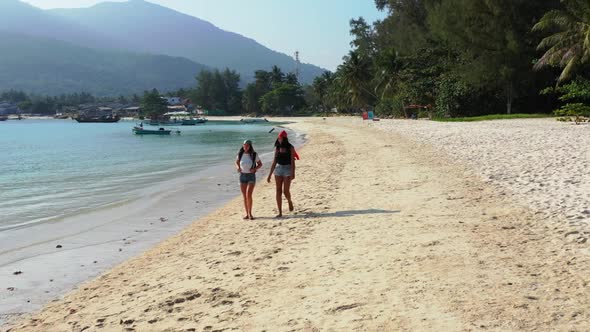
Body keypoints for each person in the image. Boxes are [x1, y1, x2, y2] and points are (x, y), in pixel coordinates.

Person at [267, 130, 299, 218]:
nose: (279, 139)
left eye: (281, 138)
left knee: (286, 191)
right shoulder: (277, 147)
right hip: (278, 169)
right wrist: (269, 174)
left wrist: (293, 173)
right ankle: (280, 212)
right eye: (278, 138)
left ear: (284, 138)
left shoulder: (290, 147)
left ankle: (289, 201)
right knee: (278, 191)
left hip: (287, 169)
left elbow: (292, 161)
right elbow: (274, 161)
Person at [236, 139, 262, 220]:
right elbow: (236, 162)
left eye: (247, 145)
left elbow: (260, 164)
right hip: (242, 176)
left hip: (251, 176)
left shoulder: (254, 154)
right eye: (244, 145)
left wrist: (255, 169)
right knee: (244, 196)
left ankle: (250, 214)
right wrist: (238, 168)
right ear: (243, 145)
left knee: (248, 195)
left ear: (250, 146)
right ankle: (247, 214)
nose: (245, 146)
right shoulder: (240, 154)